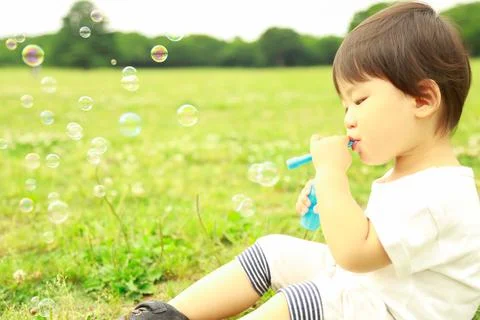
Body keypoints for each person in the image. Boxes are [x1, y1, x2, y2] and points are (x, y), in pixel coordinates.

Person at [120, 1, 480, 319]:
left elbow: (356, 253)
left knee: (307, 300)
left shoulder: (441, 194)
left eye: (361, 100)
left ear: (422, 99)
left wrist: (331, 176)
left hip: (397, 312)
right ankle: (170, 315)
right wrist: (330, 197)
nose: (348, 118)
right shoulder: (412, 175)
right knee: (273, 250)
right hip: (374, 292)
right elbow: (372, 239)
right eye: (345, 106)